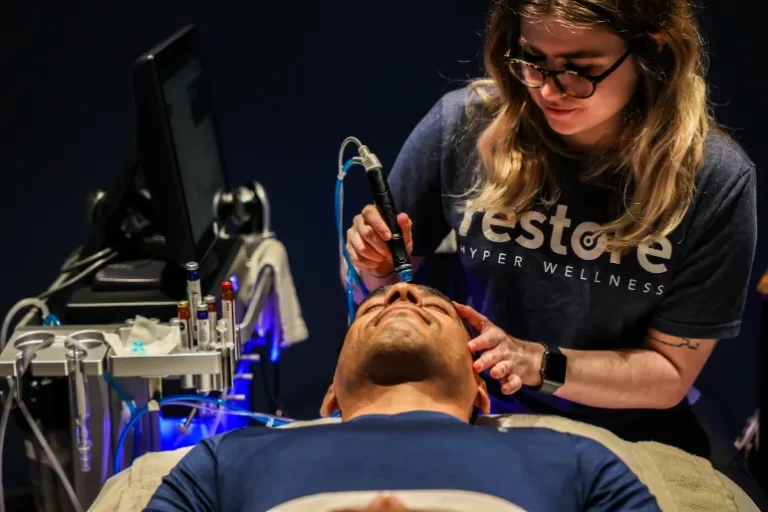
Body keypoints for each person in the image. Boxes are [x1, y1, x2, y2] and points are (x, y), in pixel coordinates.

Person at [344, 0, 757, 466]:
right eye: (531, 60)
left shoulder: (714, 179)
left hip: (629, 439)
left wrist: (533, 361)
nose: (547, 90)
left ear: (653, 53)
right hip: (477, 419)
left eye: (580, 70)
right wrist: (371, 267)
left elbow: (668, 373)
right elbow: (379, 289)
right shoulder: (464, 124)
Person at [145, 283, 660, 512]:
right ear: (331, 393)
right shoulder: (225, 459)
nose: (401, 293)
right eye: (372, 307)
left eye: (435, 305)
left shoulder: (575, 458)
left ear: (482, 387)